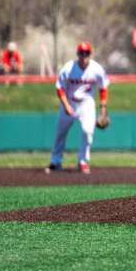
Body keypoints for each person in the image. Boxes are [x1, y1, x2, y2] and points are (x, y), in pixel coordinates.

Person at [45, 42, 109, 174]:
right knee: (60, 134)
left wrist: (103, 108)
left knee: (87, 131)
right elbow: (59, 88)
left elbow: (103, 87)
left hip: (87, 103)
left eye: (87, 53)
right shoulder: (69, 68)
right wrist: (66, 105)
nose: (84, 56)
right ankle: (56, 162)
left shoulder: (96, 69)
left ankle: (83, 162)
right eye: (82, 53)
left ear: (90, 54)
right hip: (69, 101)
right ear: (77, 54)